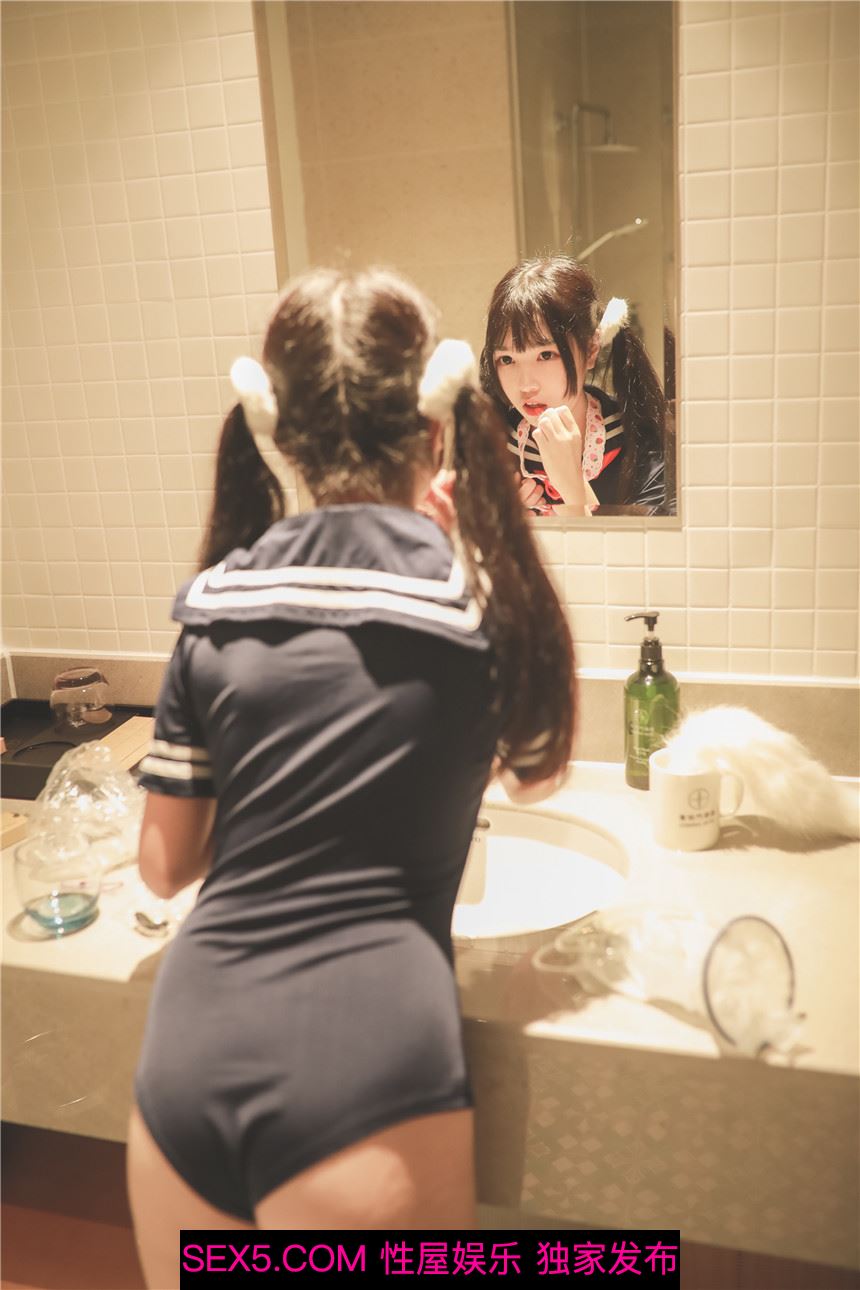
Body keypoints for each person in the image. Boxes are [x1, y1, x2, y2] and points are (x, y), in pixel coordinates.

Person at [127, 267, 576, 1282]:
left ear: (275, 431)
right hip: (368, 1068)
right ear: (435, 422)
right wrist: (466, 546)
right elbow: (539, 778)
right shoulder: (470, 602)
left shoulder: (216, 599)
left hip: (185, 1060)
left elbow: (163, 866)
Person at [480, 256, 675, 517]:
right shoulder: (493, 443)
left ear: (591, 351)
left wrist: (572, 485)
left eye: (546, 355)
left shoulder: (639, 443)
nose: (525, 385)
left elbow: (650, 543)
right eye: (507, 359)